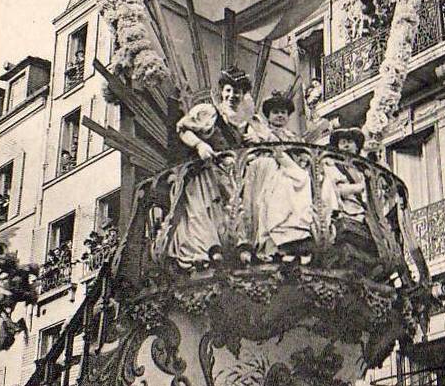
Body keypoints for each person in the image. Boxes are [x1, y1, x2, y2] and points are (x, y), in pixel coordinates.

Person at [151, 67, 254, 269]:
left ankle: (239, 246)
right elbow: (182, 128)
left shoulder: (239, 121)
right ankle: (209, 250)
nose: (233, 95)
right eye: (229, 90)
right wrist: (199, 145)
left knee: (237, 205)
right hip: (204, 171)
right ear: (222, 92)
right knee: (204, 208)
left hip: (230, 173)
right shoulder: (208, 111)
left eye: (238, 91)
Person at [243, 91, 314, 263]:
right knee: (281, 185)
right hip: (268, 168)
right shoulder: (259, 132)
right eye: (276, 112)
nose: (280, 115)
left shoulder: (294, 137)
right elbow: (250, 153)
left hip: (290, 170)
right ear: (268, 115)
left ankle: (295, 233)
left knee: (300, 180)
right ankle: (275, 238)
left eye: (283, 112)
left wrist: (303, 159)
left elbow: (304, 156)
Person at [324, 128, 378, 259]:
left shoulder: (361, 168)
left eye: (350, 142)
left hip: (365, 210)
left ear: (357, 146)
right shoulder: (332, 165)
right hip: (347, 208)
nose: (346, 145)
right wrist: (360, 187)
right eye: (342, 142)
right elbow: (338, 189)